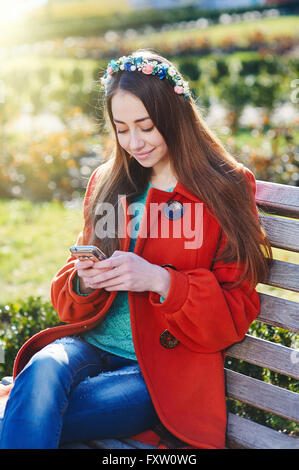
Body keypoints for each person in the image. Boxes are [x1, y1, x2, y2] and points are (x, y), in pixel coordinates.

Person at [0, 49, 272, 449]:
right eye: (122, 129)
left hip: (162, 373)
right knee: (42, 370)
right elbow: (68, 301)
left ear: (174, 115)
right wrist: (85, 280)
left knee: (30, 411)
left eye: (146, 126)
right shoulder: (111, 183)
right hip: (90, 345)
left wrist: (161, 280)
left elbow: (237, 310)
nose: (134, 143)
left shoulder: (223, 187)